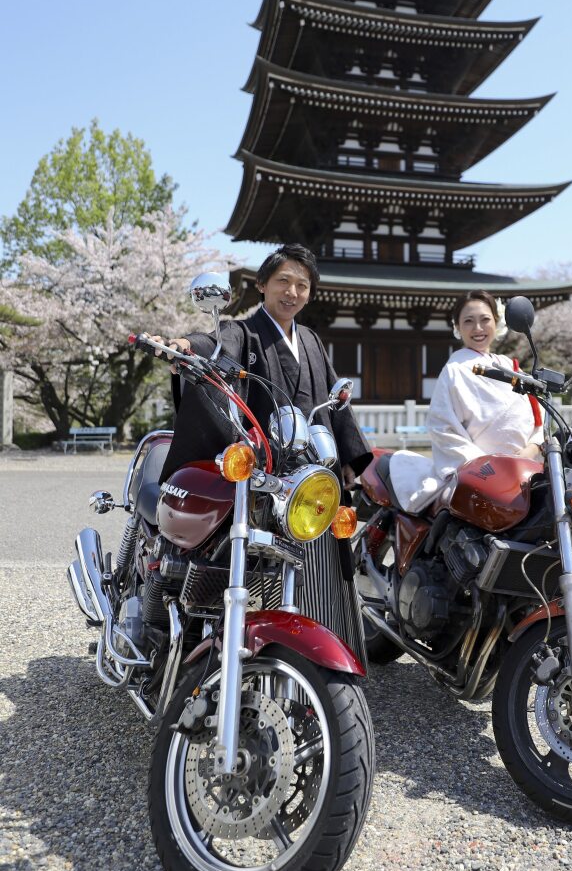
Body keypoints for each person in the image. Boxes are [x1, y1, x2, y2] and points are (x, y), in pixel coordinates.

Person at [148, 243, 373, 659]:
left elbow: (334, 401)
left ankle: (322, 654)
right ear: (262, 285)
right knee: (256, 561)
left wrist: (355, 463)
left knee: (324, 564)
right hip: (268, 475)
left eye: (302, 285)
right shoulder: (245, 331)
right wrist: (188, 346)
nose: (292, 292)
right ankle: (256, 649)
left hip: (311, 476)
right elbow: (215, 344)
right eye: (283, 281)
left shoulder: (309, 339)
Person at [390, 289, 544, 513]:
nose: (478, 328)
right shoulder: (454, 370)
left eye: (485, 319)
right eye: (468, 321)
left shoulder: (511, 367)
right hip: (483, 478)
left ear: (496, 321)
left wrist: (533, 447)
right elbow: (442, 429)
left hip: (524, 470)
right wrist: (484, 466)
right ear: (457, 327)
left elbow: (537, 416)